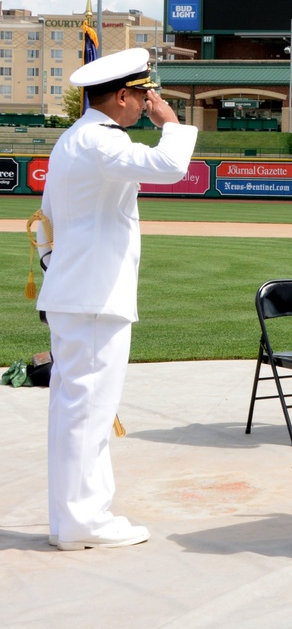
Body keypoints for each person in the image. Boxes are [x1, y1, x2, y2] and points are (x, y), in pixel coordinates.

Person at [37, 48, 197, 549]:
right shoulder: (100, 141)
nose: (150, 102)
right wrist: (171, 122)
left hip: (78, 292)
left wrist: (57, 270)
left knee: (76, 410)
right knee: (88, 410)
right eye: (145, 94)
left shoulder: (74, 139)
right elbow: (170, 166)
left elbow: (46, 224)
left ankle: (74, 518)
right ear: (124, 95)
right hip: (93, 297)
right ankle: (84, 520)